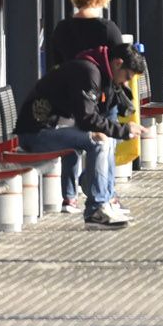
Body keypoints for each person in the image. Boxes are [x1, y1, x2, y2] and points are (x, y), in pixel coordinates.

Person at [13, 40, 143, 229]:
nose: (125, 82)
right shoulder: (90, 72)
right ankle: (95, 210)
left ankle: (105, 202)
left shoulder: (97, 71)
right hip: (36, 134)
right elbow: (86, 118)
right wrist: (123, 130)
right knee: (98, 142)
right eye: (126, 76)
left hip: (53, 128)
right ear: (117, 63)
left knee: (104, 139)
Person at [49, 0, 123, 211]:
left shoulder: (62, 29)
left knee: (73, 143)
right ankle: (106, 193)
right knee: (104, 143)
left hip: (71, 96)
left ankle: (69, 197)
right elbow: (119, 62)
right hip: (101, 97)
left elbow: (55, 62)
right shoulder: (108, 29)